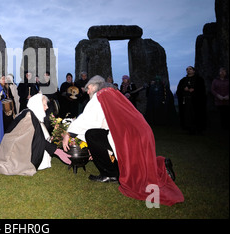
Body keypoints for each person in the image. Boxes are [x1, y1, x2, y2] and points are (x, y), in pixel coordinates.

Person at [65, 75, 184, 206]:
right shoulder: (115, 93)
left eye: (88, 88)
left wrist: (68, 133)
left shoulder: (101, 95)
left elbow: (88, 119)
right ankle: (160, 165)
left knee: (91, 135)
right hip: (142, 131)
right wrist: (96, 148)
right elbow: (101, 122)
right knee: (138, 162)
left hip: (129, 134)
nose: (87, 91)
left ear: (94, 86)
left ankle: (110, 174)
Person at [0, 93, 72, 176]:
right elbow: (38, 139)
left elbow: (38, 136)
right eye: (44, 105)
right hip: (15, 146)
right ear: (37, 105)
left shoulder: (31, 114)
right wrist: (57, 151)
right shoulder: (29, 117)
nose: (47, 107)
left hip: (20, 142)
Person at [176, 66, 207, 134]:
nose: (188, 70)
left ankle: (197, 128)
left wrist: (194, 90)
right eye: (187, 69)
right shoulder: (183, 80)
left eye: (190, 69)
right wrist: (184, 89)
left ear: (194, 71)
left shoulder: (199, 79)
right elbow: (179, 89)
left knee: (196, 114)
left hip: (196, 101)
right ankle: (187, 127)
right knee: (187, 114)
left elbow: (202, 89)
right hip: (186, 100)